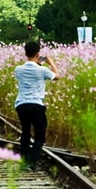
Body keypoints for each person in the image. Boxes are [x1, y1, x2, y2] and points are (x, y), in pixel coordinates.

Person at [14, 40, 58, 168]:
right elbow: (57, 76)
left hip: (21, 104)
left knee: (25, 132)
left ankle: (23, 160)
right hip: (36, 104)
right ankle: (32, 161)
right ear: (38, 54)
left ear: (25, 54)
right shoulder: (43, 70)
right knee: (40, 135)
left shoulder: (18, 69)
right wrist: (50, 62)